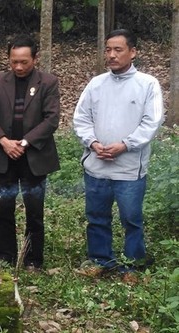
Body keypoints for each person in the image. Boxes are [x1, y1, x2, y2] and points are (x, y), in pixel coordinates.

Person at [73, 29, 163, 277]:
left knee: (131, 218)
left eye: (118, 50)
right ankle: (101, 261)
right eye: (108, 50)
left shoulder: (147, 84)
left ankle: (133, 266)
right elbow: (81, 118)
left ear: (133, 52)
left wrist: (125, 144)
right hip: (97, 165)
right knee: (96, 216)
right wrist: (92, 142)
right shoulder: (96, 84)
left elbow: (151, 122)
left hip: (129, 167)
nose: (111, 55)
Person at [0, 34, 60, 271]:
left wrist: (24, 143)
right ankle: (5, 256)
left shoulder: (48, 82)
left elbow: (52, 119)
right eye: (14, 61)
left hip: (34, 157)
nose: (18, 66)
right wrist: (4, 141)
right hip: (5, 156)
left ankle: (33, 259)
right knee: (3, 208)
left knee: (34, 211)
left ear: (35, 58)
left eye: (24, 62)